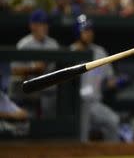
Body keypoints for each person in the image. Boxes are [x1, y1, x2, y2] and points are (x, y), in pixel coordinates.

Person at [70, 14, 123, 142]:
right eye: (85, 30)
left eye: (90, 30)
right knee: (81, 138)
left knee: (113, 121)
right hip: (76, 105)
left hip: (95, 103)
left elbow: (109, 80)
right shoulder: (70, 53)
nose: (89, 33)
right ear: (78, 32)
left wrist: (119, 81)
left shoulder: (100, 52)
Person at [12, 9, 59, 118]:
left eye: (46, 24)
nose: (45, 27)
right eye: (41, 24)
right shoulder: (24, 45)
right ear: (33, 26)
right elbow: (14, 70)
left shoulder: (53, 44)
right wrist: (33, 68)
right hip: (29, 95)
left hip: (49, 94)